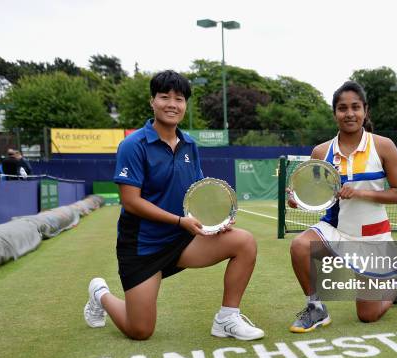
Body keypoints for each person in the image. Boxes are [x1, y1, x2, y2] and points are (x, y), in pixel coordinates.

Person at [83, 70, 264, 341]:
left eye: (179, 99)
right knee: (139, 330)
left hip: (182, 241)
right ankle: (101, 294)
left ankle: (226, 319)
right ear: (152, 102)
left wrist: (216, 221)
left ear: (185, 105)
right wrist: (180, 222)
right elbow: (131, 202)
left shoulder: (190, 144)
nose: (172, 104)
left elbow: (198, 192)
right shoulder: (133, 145)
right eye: (164, 97)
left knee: (244, 242)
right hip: (143, 246)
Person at [287, 81, 397, 333]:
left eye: (355, 107)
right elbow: (317, 193)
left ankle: (395, 284)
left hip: (372, 237)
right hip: (336, 230)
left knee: (367, 316)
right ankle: (315, 309)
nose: (349, 113)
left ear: (365, 111)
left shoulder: (384, 146)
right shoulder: (320, 152)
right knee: (299, 246)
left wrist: (360, 192)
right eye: (342, 108)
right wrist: (298, 199)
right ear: (335, 113)